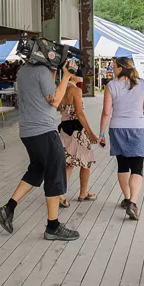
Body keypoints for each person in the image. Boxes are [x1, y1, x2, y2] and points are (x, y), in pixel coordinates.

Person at [0, 60, 79, 241]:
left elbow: (41, 93)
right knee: (55, 174)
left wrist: (57, 74)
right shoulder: (42, 72)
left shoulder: (23, 70)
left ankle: (8, 208)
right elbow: (55, 100)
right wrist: (66, 76)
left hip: (27, 131)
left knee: (37, 170)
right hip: (44, 131)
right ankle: (53, 226)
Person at [98, 56, 144, 221]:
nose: (112, 69)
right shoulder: (142, 84)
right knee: (137, 167)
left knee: (122, 165)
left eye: (114, 66)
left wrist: (101, 134)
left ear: (121, 68)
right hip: (138, 127)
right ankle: (133, 202)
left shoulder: (111, 85)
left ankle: (128, 198)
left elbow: (107, 112)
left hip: (118, 128)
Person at [58, 71, 99, 206]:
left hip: (64, 130)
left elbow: (58, 108)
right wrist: (90, 133)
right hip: (77, 131)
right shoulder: (76, 90)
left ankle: (61, 193)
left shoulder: (61, 89)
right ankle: (83, 192)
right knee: (85, 160)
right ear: (73, 76)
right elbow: (79, 113)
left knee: (69, 162)